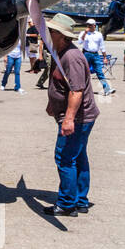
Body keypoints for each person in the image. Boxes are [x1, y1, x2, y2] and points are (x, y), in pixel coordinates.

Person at [43, 14, 99, 217]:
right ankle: (80, 200)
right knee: (79, 156)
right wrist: (53, 104)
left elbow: (76, 90)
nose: (46, 34)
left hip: (78, 118)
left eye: (50, 31)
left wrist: (68, 119)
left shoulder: (71, 57)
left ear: (59, 34)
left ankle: (67, 203)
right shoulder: (60, 52)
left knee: (65, 158)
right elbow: (60, 85)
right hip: (76, 116)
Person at [76, 19, 114, 96]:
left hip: (95, 54)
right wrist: (85, 33)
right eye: (88, 25)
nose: (89, 26)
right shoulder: (83, 33)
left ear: (94, 25)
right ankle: (82, 88)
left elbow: (102, 46)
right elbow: (80, 42)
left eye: (90, 25)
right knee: (84, 72)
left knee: (99, 71)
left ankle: (106, 89)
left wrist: (105, 57)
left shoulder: (99, 35)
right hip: (86, 53)